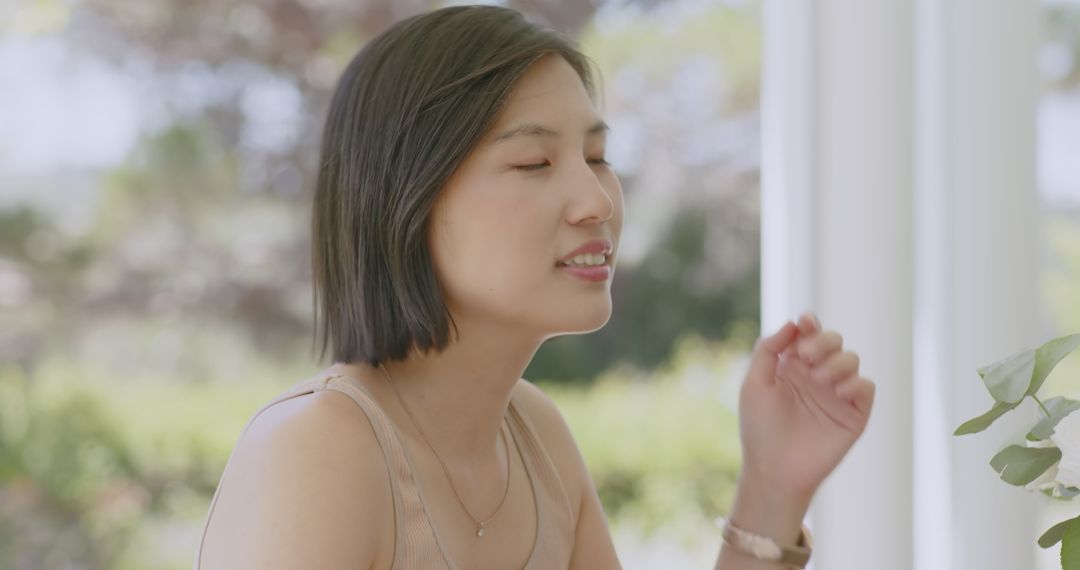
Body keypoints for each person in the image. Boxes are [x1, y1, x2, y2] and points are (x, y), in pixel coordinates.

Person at [194, 5, 875, 569]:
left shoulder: (536, 439)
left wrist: (773, 488)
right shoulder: (318, 450)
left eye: (598, 158)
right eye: (533, 162)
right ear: (407, 198)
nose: (596, 201)